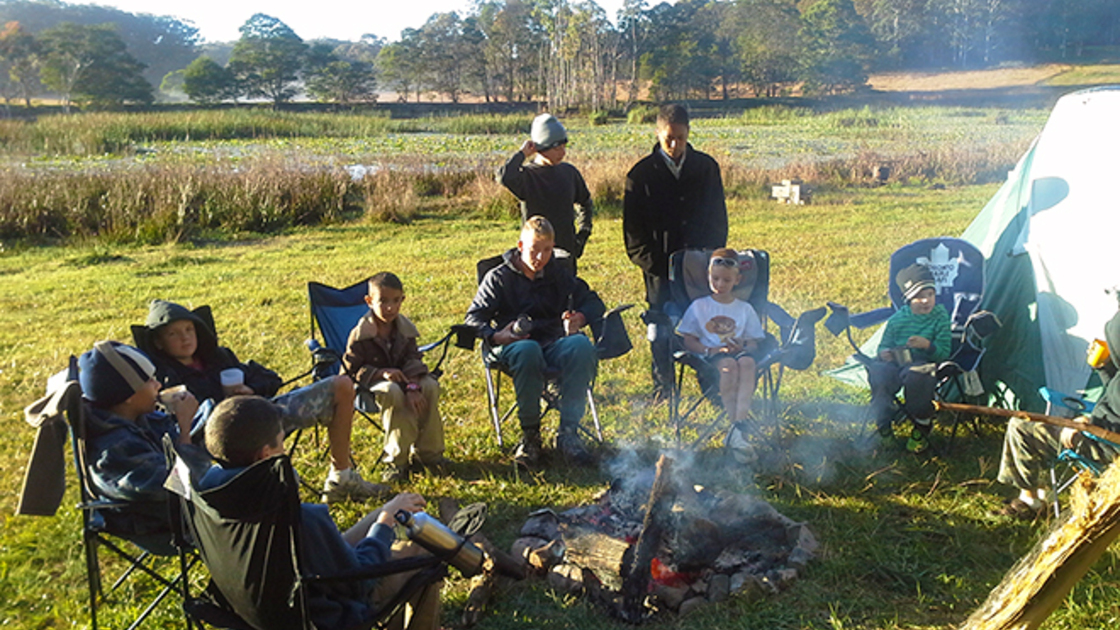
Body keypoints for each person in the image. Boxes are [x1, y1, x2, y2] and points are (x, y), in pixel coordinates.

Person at [199, 396, 441, 630]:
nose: (284, 449)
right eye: (281, 443)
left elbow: (322, 554)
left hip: (256, 614)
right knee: (422, 549)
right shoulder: (299, 520)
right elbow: (359, 581)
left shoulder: (209, 505)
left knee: (380, 520)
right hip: (325, 616)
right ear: (266, 455)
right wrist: (385, 525)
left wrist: (383, 512)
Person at [132, 299, 383, 503]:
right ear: (158, 342)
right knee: (284, 478)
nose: (185, 338)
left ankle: (342, 477)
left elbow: (269, 377)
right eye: (174, 334)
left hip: (260, 417)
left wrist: (249, 389)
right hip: (217, 440)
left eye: (189, 330)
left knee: (341, 386)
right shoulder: (160, 379)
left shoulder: (218, 357)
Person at [465, 215, 605, 467]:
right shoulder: (499, 278)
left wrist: (579, 318)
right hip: (509, 346)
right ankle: (530, 437)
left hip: (551, 343)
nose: (540, 258)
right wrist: (498, 335)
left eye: (547, 250)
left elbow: (594, 302)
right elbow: (472, 320)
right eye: (534, 250)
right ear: (520, 247)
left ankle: (568, 434)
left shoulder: (557, 274)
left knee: (581, 345)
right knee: (527, 350)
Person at [623, 103, 728, 401]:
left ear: (688, 133)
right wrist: (664, 268)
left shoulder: (707, 168)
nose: (674, 144)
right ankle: (664, 387)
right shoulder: (640, 176)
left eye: (680, 137)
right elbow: (634, 238)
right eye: (668, 138)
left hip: (702, 272)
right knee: (661, 332)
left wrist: (707, 261)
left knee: (703, 326)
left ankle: (710, 385)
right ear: (657, 134)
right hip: (660, 274)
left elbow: (719, 221)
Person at [78, 340, 210, 553]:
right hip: (167, 525)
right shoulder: (113, 452)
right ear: (128, 396)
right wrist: (185, 429)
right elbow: (182, 488)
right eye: (149, 381)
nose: (158, 385)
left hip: (191, 506)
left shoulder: (135, 417)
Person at [995, 310, 1120, 519]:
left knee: (1021, 427)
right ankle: (1041, 488)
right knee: (1029, 423)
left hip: (1105, 446)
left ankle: (1030, 500)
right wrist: (1104, 367)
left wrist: (1086, 424)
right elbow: (1113, 391)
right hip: (1099, 432)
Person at [342, 272, 447, 483]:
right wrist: (381, 373)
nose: (390, 307)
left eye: (396, 301)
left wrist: (413, 386)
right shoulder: (360, 334)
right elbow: (349, 372)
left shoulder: (405, 330)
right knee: (392, 392)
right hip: (370, 388)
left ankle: (429, 454)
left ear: (403, 300)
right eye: (383, 301)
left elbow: (413, 359)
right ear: (369, 302)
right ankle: (396, 461)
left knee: (431, 386)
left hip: (407, 381)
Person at [867, 263, 952, 454]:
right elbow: (883, 345)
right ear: (908, 298)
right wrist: (884, 353)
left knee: (918, 375)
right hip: (896, 363)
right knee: (879, 371)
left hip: (924, 362)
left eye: (930, 294)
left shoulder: (940, 316)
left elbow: (944, 352)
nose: (926, 301)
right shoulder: (897, 320)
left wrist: (928, 346)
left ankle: (921, 426)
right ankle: (884, 423)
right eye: (920, 296)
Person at [675, 249, 765, 424]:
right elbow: (688, 340)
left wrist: (744, 345)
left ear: (737, 280)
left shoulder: (744, 308)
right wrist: (710, 349)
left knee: (748, 363)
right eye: (715, 279)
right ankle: (736, 425)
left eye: (727, 280)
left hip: (739, 352)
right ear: (708, 277)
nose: (720, 284)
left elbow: (753, 343)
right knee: (729, 366)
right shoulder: (699, 306)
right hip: (711, 355)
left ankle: (742, 417)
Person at [498, 113, 593, 264]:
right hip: (535, 256)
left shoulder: (569, 173)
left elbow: (585, 203)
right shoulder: (527, 177)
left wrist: (583, 234)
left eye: (564, 147)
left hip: (566, 253)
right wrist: (522, 154)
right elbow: (504, 177)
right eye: (556, 149)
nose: (563, 153)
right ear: (540, 148)